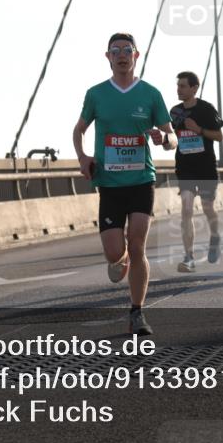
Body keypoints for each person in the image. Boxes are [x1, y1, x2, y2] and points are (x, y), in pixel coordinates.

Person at [73, 33, 176, 336]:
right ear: (107, 57)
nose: (121, 55)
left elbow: (172, 138)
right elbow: (78, 130)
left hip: (142, 180)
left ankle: (137, 312)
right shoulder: (96, 95)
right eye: (115, 51)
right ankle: (122, 259)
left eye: (126, 50)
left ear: (136, 55)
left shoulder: (151, 94)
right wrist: (82, 158)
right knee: (114, 254)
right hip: (110, 184)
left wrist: (163, 138)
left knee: (138, 242)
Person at [169, 71, 223, 273]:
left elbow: (219, 136)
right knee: (186, 210)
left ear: (194, 88)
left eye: (183, 86)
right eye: (178, 86)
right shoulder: (174, 112)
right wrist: (166, 140)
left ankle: (215, 236)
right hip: (185, 168)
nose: (179, 89)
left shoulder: (206, 109)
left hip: (206, 167)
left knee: (208, 208)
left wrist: (199, 130)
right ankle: (189, 257)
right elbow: (173, 137)